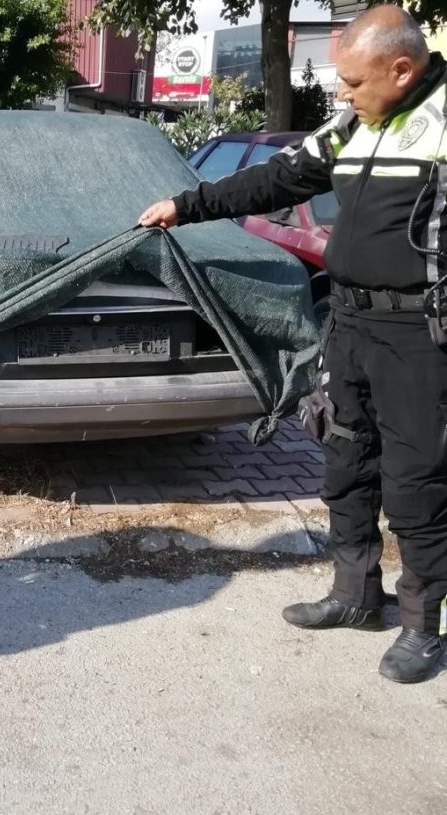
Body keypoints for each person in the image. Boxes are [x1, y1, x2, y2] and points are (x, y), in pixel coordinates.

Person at [140, 4, 447, 683]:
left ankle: (425, 626)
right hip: (351, 324)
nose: (340, 94)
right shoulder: (352, 124)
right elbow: (275, 179)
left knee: (417, 482)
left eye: (353, 82)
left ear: (401, 70)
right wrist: (186, 206)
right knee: (345, 461)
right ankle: (354, 595)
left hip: (421, 336)